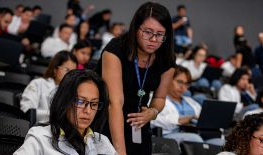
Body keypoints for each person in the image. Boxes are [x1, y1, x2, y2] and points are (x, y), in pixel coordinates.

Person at [96, 2, 176, 154]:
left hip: (139, 125)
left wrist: (152, 112)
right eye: (147, 32)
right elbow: (115, 104)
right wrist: (120, 152)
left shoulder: (167, 58)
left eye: (160, 34)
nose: (153, 39)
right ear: (136, 28)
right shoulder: (116, 49)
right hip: (107, 121)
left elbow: (159, 98)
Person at [14, 70, 116, 155]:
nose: (88, 111)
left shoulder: (102, 142)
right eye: (80, 101)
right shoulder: (40, 138)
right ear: (64, 101)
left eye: (94, 104)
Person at [20, 51, 78, 123]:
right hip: (37, 129)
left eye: (73, 72)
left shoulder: (74, 92)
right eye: (67, 70)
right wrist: (57, 116)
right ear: (55, 69)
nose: (70, 75)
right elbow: (27, 111)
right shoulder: (38, 84)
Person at [151, 65, 203, 143]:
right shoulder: (155, 98)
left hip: (197, 134)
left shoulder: (191, 102)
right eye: (179, 82)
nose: (183, 87)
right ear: (168, 80)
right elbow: (151, 120)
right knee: (195, 139)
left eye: (186, 84)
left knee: (220, 142)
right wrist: (178, 120)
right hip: (168, 136)